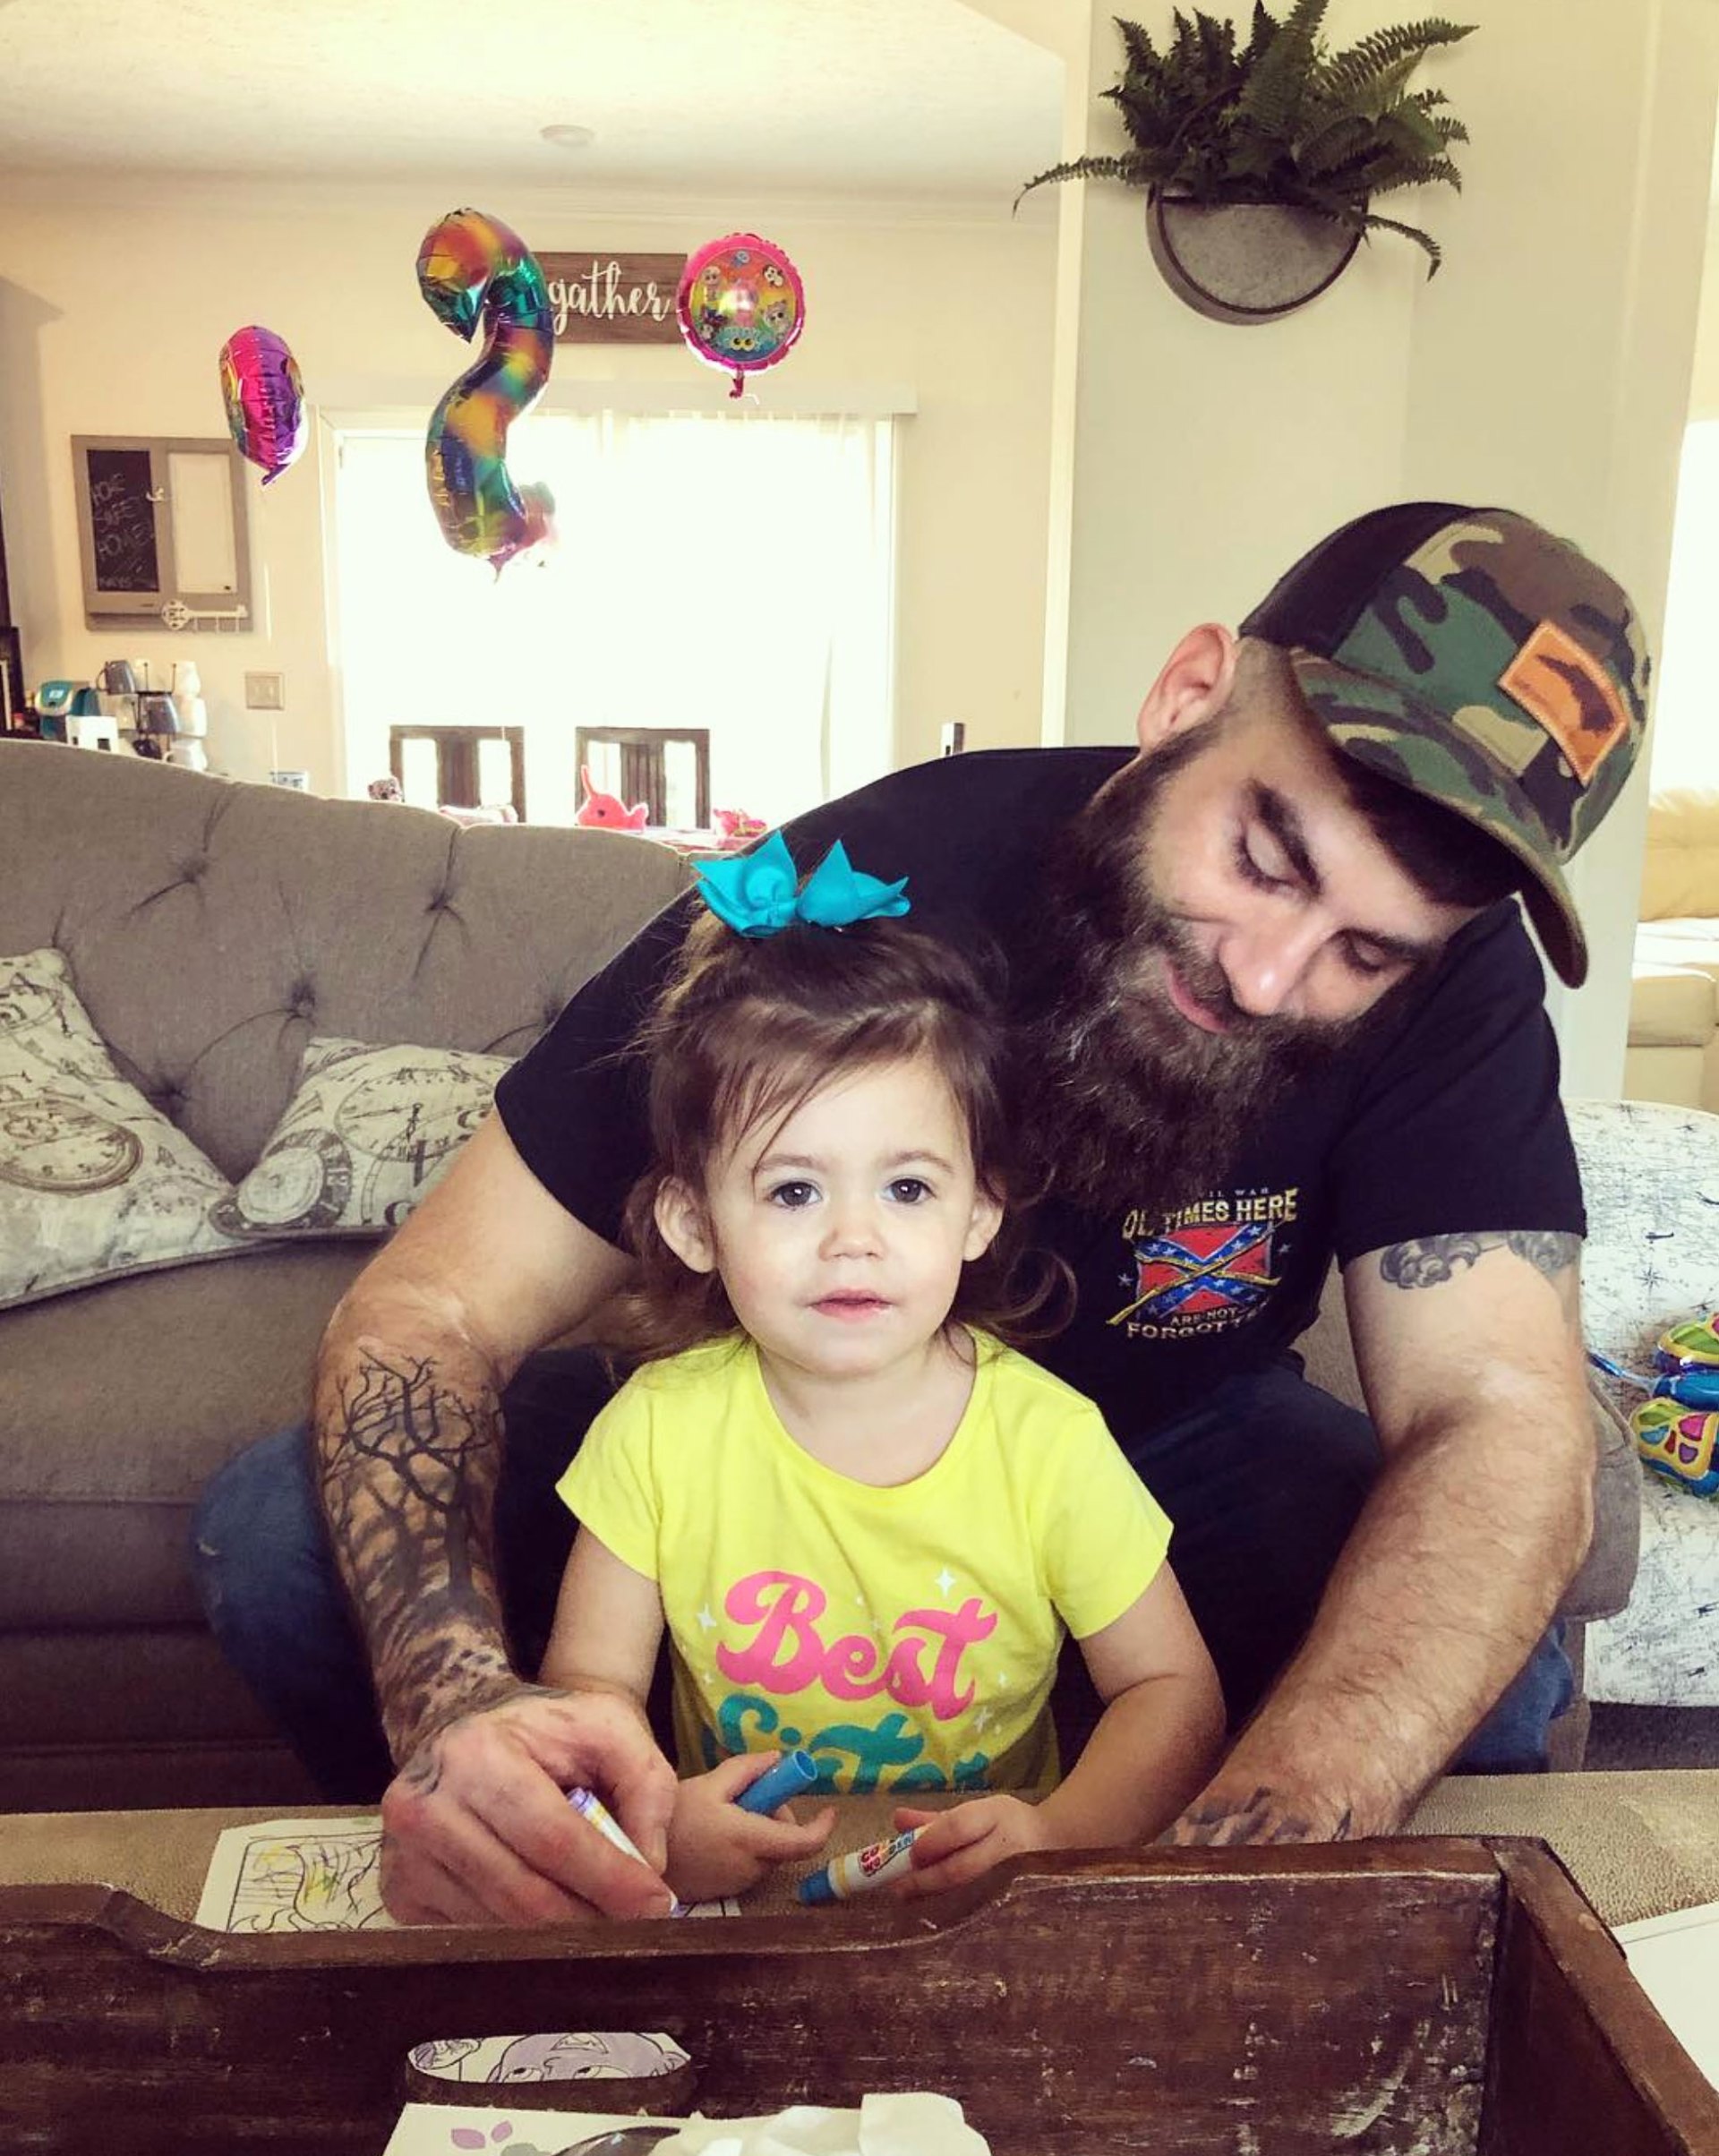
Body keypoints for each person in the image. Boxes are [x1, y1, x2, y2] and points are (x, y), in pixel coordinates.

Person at [192, 500, 1650, 1923]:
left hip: (1168, 1443)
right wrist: (456, 1704)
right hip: (777, 1399)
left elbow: (1500, 1408)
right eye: (1264, 861)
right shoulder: (851, 896)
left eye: (1363, 954)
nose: (1269, 978)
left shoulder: (1457, 979)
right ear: (1188, 696)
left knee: (1490, 1661)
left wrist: (1239, 1870)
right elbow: (433, 1302)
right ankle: (508, 1884)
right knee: (279, 1537)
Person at [538, 853, 1225, 1904]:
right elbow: (588, 1686)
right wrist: (659, 1822)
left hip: (978, 1901)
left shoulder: (1049, 1440)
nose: (854, 1237)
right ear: (695, 1223)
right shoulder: (654, 1430)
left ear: (979, 1212)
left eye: (907, 1187)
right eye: (794, 1190)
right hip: (741, 1892)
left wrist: (1058, 1833)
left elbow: (1171, 1687)